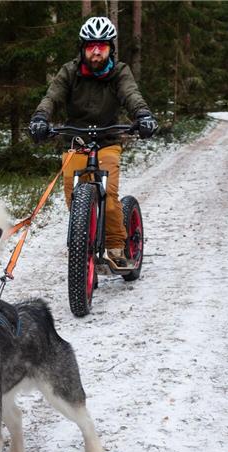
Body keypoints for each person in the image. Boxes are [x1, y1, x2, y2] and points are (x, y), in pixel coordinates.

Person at [29, 16, 157, 270]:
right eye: (91, 46)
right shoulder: (69, 71)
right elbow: (52, 97)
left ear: (110, 48)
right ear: (83, 48)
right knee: (73, 193)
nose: (96, 52)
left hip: (108, 139)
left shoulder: (119, 71)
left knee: (108, 194)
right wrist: (40, 118)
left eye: (102, 46)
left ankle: (116, 247)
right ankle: (83, 240)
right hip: (77, 141)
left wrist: (142, 115)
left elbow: (131, 94)